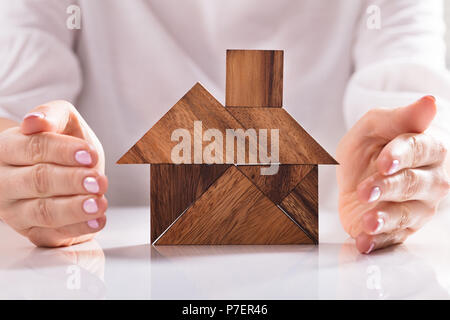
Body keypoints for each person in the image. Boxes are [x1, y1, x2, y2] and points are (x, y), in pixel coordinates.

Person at [0, 0, 448, 252]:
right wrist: (26, 165)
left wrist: (400, 161)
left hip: (316, 260)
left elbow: (412, 97)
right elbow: (12, 109)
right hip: (121, 266)